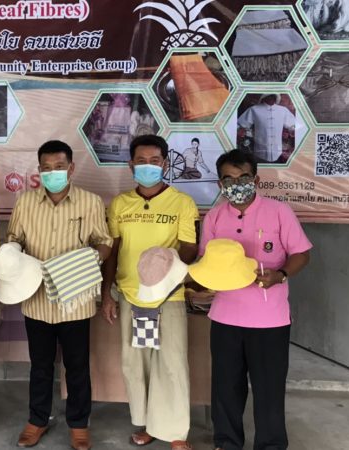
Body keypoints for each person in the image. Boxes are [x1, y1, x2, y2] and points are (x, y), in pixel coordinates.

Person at [194, 149, 311, 450]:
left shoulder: (278, 212)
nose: (236, 185)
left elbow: (301, 254)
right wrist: (199, 282)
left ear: (256, 180)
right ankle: (226, 443)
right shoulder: (214, 217)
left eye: (243, 177)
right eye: (228, 179)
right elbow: (206, 262)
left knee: (269, 390)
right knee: (226, 388)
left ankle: (271, 445)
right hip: (225, 318)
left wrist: (280, 274)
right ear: (220, 184)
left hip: (269, 320)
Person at [7, 140, 113, 450]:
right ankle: (37, 420)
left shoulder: (90, 202)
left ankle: (79, 425)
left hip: (75, 301)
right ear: (39, 170)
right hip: (36, 299)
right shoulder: (25, 202)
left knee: (77, 366)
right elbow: (14, 240)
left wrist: (90, 259)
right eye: (46, 168)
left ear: (71, 168)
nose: (52, 172)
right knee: (40, 366)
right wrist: (10, 255)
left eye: (59, 167)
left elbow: (104, 241)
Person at [101, 134, 199, 450]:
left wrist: (165, 268)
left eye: (154, 161)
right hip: (132, 296)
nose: (148, 166)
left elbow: (189, 247)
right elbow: (113, 252)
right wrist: (107, 293)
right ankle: (146, 424)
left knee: (171, 363)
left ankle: (175, 431)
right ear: (131, 165)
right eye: (141, 161)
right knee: (136, 362)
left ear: (165, 164)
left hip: (168, 296)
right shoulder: (120, 203)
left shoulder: (182, 202)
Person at [237, 94, 295, 163]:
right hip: (260, 151)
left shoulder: (283, 110)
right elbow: (241, 124)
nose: (271, 98)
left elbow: (293, 125)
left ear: (276, 97)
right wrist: (241, 132)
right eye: (269, 96)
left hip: (277, 152)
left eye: (273, 96)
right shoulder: (254, 109)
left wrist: (293, 131)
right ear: (264, 97)